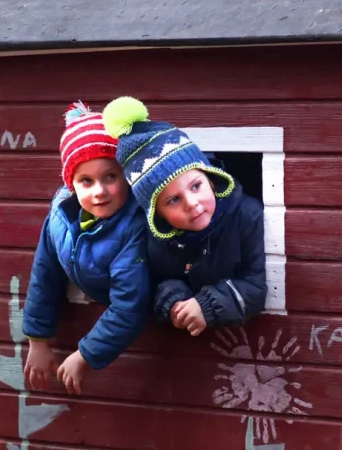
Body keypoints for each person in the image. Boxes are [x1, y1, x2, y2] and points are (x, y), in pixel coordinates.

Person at [102, 97, 266, 336]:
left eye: (196, 186)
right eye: (173, 200)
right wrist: (176, 303)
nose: (191, 203)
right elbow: (159, 280)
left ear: (210, 178)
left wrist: (207, 305)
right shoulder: (159, 239)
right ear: (157, 214)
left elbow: (256, 285)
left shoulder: (247, 216)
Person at [21, 103, 151, 394]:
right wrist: (37, 341)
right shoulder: (60, 215)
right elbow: (45, 273)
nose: (99, 191)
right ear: (71, 185)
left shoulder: (134, 226)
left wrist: (85, 355)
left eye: (110, 177)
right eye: (86, 181)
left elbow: (130, 305)